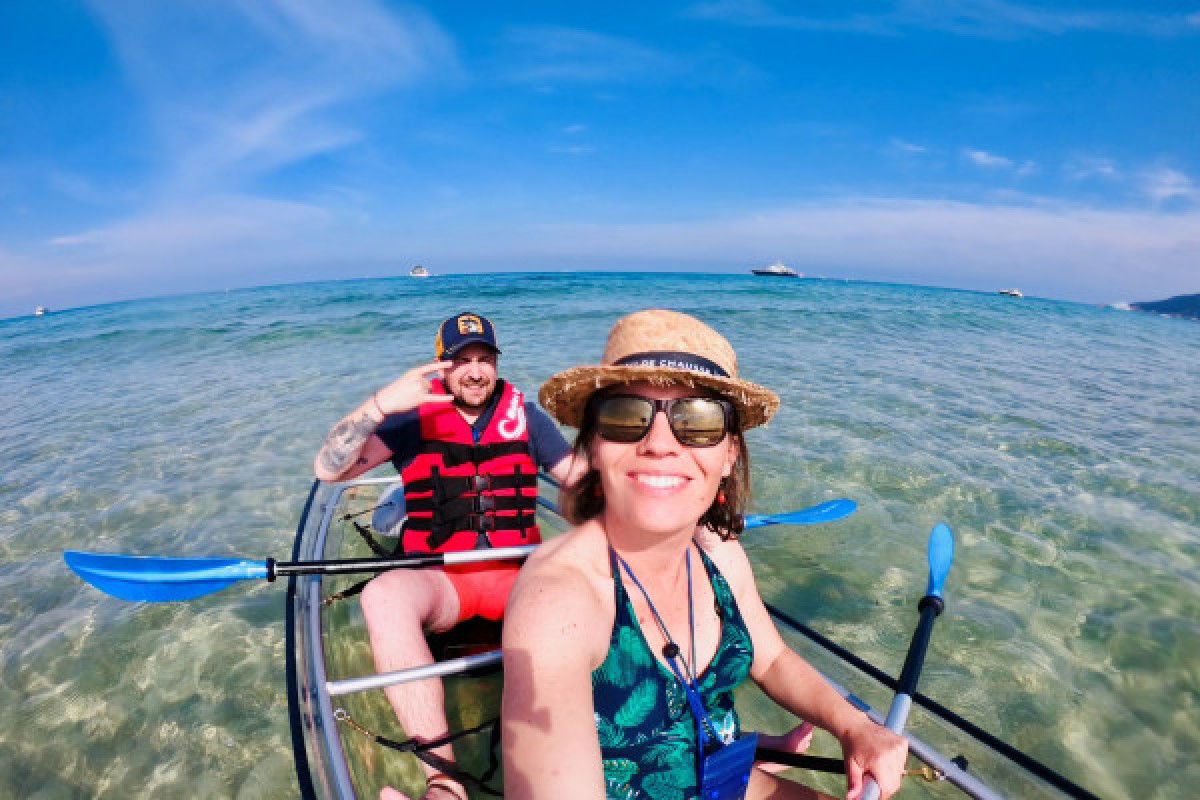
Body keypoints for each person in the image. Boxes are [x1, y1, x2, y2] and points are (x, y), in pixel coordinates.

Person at [501, 310, 908, 800]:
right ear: (594, 444)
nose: (658, 444)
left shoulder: (718, 551)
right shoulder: (561, 595)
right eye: (626, 416)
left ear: (730, 453)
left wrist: (854, 726)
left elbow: (771, 658)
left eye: (696, 420)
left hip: (724, 776)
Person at [314, 311, 583, 800]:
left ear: (497, 364)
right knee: (383, 596)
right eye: (462, 361)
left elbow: (576, 478)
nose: (475, 371)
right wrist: (380, 404)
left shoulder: (525, 416)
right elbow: (330, 470)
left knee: (594, 582)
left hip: (517, 576)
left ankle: (590, 749)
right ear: (441, 366)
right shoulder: (410, 419)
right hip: (445, 582)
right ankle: (444, 779)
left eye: (484, 359)